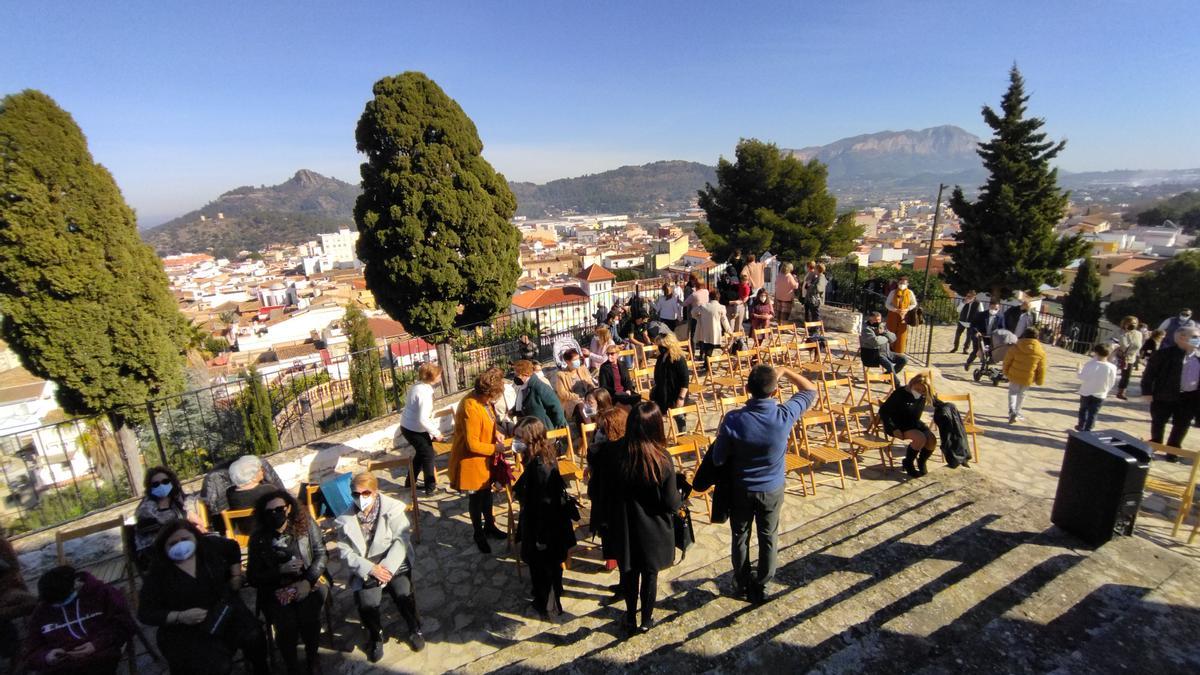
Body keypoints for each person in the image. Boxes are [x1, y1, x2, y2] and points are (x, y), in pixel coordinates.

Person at [710, 365, 818, 603]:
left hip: (741, 488)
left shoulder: (734, 419)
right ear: (776, 391)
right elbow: (811, 390)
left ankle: (741, 581)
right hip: (771, 487)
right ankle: (763, 583)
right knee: (768, 536)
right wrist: (787, 371)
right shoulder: (784, 414)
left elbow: (718, 458)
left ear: (747, 389)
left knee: (740, 535)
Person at [589, 402, 680, 634]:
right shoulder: (662, 458)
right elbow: (670, 503)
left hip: (624, 526)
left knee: (629, 574)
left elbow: (600, 489)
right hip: (654, 529)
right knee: (650, 575)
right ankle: (646, 620)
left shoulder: (612, 453)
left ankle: (630, 617)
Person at [138, 520, 269, 675]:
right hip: (185, 628)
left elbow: (233, 547)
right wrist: (179, 616)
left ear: (195, 537)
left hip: (222, 610)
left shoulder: (208, 547)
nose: (180, 546)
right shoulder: (158, 573)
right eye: (173, 543)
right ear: (163, 547)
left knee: (254, 635)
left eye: (185, 540)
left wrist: (236, 575)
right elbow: (145, 612)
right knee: (216, 666)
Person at [334, 473, 424, 662]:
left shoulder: (392, 509)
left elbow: (402, 539)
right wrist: (370, 569)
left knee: (403, 593)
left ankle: (414, 627)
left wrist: (387, 568)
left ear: (375, 492)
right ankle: (376, 636)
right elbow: (345, 552)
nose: (361, 498)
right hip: (366, 566)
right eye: (355, 494)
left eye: (365, 493)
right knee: (368, 602)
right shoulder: (346, 519)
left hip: (393, 561)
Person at [247, 490, 328, 674]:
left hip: (307, 581)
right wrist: (278, 571)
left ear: (289, 508)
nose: (275, 514)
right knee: (286, 625)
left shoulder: (305, 525)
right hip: (275, 588)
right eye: (270, 511)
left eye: (279, 509)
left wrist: (308, 581)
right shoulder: (258, 538)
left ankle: (312, 656)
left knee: (310, 616)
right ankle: (291, 664)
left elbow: (321, 554)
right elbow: (253, 576)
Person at [511, 417, 577, 619]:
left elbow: (544, 503)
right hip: (547, 524)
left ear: (530, 438)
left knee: (543, 568)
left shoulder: (541, 466)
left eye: (519, 437)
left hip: (544, 526)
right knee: (550, 566)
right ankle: (551, 594)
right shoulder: (543, 455)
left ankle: (548, 606)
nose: (516, 441)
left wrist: (540, 537)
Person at [24, 565, 135, 675]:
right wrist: (46, 656)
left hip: (99, 657)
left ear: (76, 584)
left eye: (61, 601)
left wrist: (96, 644)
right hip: (61, 666)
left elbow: (124, 625)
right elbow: (32, 649)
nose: (59, 605)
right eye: (55, 604)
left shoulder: (102, 593)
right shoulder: (43, 609)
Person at [449, 367, 510, 553]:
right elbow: (472, 444)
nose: (493, 400)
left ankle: (489, 526)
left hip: (484, 460)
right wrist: (495, 448)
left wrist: (496, 433)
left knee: (487, 495)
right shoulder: (470, 407)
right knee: (476, 499)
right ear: (486, 392)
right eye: (493, 396)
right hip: (471, 461)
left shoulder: (484, 401)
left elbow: (489, 422)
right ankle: (479, 533)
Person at [1142, 325, 1200, 460]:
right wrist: (1147, 392)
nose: (1198, 340)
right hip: (1164, 394)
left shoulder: (1198, 357)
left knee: (1182, 424)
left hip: (1189, 397)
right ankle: (1155, 445)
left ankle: (1172, 450)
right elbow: (1149, 375)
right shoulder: (1164, 354)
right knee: (1159, 421)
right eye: (1195, 337)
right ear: (1181, 337)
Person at [133, 465, 196, 570]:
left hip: (178, 542)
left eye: (165, 482)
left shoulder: (175, 500)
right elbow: (158, 531)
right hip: (154, 551)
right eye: (156, 484)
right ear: (150, 487)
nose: (161, 486)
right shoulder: (146, 508)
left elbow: (191, 500)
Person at [878, 373, 938, 477]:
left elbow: (937, 402)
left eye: (923, 391)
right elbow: (884, 411)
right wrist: (894, 428)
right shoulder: (900, 393)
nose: (920, 392)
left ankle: (921, 462)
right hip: (898, 424)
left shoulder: (923, 395)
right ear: (912, 384)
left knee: (932, 440)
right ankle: (908, 463)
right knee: (920, 438)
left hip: (913, 422)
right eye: (918, 389)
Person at [399, 362, 445, 496]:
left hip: (408, 426)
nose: (440, 376)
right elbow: (423, 418)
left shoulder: (418, 386)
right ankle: (430, 488)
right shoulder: (424, 393)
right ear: (432, 377)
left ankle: (410, 482)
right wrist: (436, 433)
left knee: (421, 454)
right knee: (428, 455)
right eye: (438, 374)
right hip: (414, 429)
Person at [0, 536, 35, 664]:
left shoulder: (2, 545)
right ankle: (15, 655)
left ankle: (23, 651)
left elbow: (14, 573)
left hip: (7, 591)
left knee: (33, 603)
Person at [1002, 328, 1047, 424]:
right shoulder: (1040, 351)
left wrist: (1005, 371)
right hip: (1028, 377)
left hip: (1014, 374)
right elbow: (1041, 367)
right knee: (1022, 394)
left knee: (1013, 392)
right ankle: (1017, 412)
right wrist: (1040, 380)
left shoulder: (1016, 347)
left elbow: (1007, 360)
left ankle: (1012, 410)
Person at [649, 333, 690, 432]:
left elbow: (685, 381)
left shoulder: (678, 359)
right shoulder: (661, 357)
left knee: (679, 418)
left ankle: (682, 436)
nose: (660, 348)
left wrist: (681, 398)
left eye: (662, 345)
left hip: (675, 394)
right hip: (662, 393)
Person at [513, 359, 568, 430]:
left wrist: (561, 426)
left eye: (517, 375)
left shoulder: (539, 387)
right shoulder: (523, 388)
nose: (515, 377)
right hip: (532, 429)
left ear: (525, 374)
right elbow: (522, 405)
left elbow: (556, 405)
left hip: (545, 430)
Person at [1077, 344, 1119, 432]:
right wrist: (1106, 391)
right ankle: (1088, 430)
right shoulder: (1112, 367)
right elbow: (1112, 382)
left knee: (1083, 410)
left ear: (1096, 353)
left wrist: (1078, 369)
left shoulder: (1090, 364)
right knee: (1093, 413)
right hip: (1100, 393)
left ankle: (1081, 425)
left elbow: (1082, 377)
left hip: (1086, 391)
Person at [860, 311, 907, 385]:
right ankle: (897, 384)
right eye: (875, 320)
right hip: (874, 354)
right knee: (890, 365)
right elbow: (875, 341)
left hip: (887, 352)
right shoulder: (866, 329)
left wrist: (884, 333)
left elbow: (894, 337)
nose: (878, 322)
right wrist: (886, 337)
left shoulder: (882, 326)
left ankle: (887, 375)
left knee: (904, 359)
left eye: (879, 320)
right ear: (870, 319)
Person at [553, 348, 597, 424]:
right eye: (575, 360)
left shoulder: (582, 369)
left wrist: (590, 392)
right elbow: (562, 393)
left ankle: (599, 423)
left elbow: (590, 383)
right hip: (572, 400)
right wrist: (577, 396)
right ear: (567, 362)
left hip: (586, 396)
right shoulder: (561, 375)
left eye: (578, 359)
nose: (578, 361)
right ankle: (590, 429)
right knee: (581, 405)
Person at [693, 290, 733, 363]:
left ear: (710, 297)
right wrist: (729, 330)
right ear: (718, 298)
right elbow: (724, 320)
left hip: (704, 330)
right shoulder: (721, 307)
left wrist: (698, 317)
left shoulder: (703, 306)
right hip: (714, 331)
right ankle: (707, 364)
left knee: (707, 347)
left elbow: (693, 312)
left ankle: (706, 363)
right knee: (710, 348)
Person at [966, 300, 1006, 370]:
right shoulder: (981, 315)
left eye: (996, 309)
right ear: (989, 306)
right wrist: (976, 332)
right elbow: (973, 325)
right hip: (979, 336)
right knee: (976, 350)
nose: (993, 310)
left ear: (999, 309)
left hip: (990, 338)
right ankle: (968, 362)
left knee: (990, 351)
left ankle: (985, 365)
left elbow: (1002, 328)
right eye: (992, 308)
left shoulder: (1000, 318)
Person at [884, 275, 917, 354]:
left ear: (907, 284)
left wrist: (907, 309)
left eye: (904, 283)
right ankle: (889, 350)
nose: (902, 284)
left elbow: (914, 303)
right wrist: (895, 310)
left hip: (903, 316)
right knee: (891, 332)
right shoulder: (893, 292)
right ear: (898, 283)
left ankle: (899, 351)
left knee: (901, 334)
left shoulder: (910, 293)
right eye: (901, 283)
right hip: (893, 315)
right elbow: (887, 304)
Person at [1115, 316, 1144, 400]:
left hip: (1130, 358)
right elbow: (1122, 345)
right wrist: (1125, 334)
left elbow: (1138, 346)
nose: (1132, 325)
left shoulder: (1138, 334)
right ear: (1124, 323)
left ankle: (1121, 392)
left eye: (1134, 323)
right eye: (1130, 323)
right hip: (1117, 357)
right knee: (1111, 374)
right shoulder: (1119, 332)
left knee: (1126, 376)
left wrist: (1139, 355)